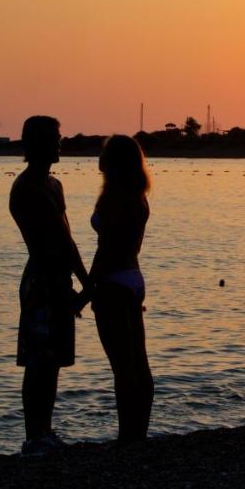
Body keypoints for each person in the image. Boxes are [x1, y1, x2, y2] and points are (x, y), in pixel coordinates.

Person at [9, 115, 88, 457]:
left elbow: (68, 240)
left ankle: (46, 430)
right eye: (54, 137)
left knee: (52, 360)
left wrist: (85, 284)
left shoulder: (54, 185)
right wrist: (78, 288)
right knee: (38, 360)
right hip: (42, 281)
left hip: (59, 278)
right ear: (36, 142)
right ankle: (33, 436)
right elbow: (50, 242)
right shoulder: (27, 187)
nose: (59, 143)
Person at [89, 134, 154, 445]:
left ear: (113, 162)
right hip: (133, 278)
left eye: (104, 153)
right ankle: (138, 433)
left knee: (122, 366)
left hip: (113, 282)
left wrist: (86, 291)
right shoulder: (138, 196)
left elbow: (106, 250)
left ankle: (128, 435)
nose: (99, 158)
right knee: (139, 363)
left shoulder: (114, 198)